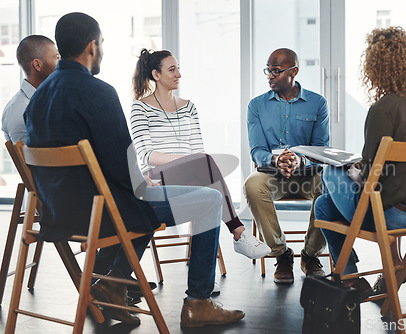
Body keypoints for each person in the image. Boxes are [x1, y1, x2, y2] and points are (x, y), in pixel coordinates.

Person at [24, 12, 244, 328]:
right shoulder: (98, 92)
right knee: (208, 200)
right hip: (102, 213)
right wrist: (145, 186)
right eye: (101, 44)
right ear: (91, 47)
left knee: (140, 199)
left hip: (59, 214)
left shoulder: (39, 98)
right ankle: (198, 302)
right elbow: (123, 165)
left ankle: (114, 283)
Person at [314, 27, 406, 298]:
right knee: (323, 206)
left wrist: (352, 171)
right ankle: (357, 275)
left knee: (329, 170)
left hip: (389, 217)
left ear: (376, 67)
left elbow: (370, 173)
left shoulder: (382, 109)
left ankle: (349, 278)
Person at [130, 48, 270, 260]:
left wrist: (192, 161)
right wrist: (187, 161)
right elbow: (146, 155)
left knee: (207, 180)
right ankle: (238, 232)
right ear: (156, 75)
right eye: (172, 69)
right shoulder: (140, 107)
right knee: (202, 165)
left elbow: (197, 150)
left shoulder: (189, 107)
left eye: (178, 68)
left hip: (192, 172)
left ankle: (205, 275)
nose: (179, 74)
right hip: (157, 178)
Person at [243, 48, 329, 284]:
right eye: (268, 71)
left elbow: (322, 149)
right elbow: (257, 150)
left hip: (308, 173)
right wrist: (276, 160)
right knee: (252, 186)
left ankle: (310, 255)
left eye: (276, 71)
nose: (270, 76)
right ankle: (282, 254)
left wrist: (300, 160)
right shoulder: (256, 106)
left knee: (331, 186)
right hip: (273, 174)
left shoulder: (317, 103)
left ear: (294, 71)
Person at [2, 35, 59, 143]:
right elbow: (31, 158)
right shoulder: (19, 109)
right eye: (56, 57)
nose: (60, 63)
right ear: (37, 65)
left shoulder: (48, 99)